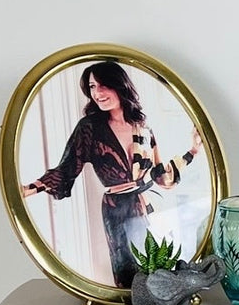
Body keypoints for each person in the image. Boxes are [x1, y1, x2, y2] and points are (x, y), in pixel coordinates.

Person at [21, 61, 202, 288]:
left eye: (103, 85)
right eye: (92, 87)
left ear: (120, 85)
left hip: (149, 207)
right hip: (117, 209)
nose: (97, 93)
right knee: (126, 267)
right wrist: (28, 189)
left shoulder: (142, 127)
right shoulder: (89, 127)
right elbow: (66, 168)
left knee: (157, 263)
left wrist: (193, 150)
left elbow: (160, 175)